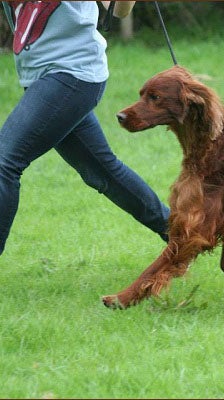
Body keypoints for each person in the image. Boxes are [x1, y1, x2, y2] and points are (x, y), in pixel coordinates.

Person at [0, 1, 169, 256]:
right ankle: (181, 232)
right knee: (102, 172)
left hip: (71, 73)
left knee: (4, 162)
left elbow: (119, 10)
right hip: (40, 76)